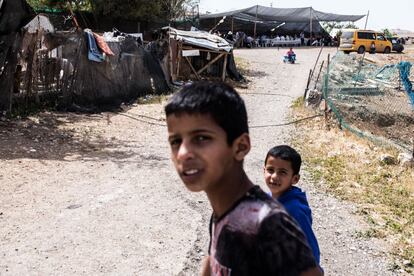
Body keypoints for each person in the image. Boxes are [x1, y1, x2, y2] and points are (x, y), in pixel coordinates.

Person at [165, 81, 322, 276]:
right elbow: (213, 260)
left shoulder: (267, 223)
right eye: (176, 141)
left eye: (201, 138)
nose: (183, 154)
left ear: (240, 147)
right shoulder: (223, 211)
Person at [264, 145, 321, 267]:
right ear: (264, 170)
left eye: (282, 172)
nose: (274, 176)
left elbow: (310, 250)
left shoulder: (294, 211)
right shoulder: (269, 197)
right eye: (270, 170)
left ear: (294, 178)